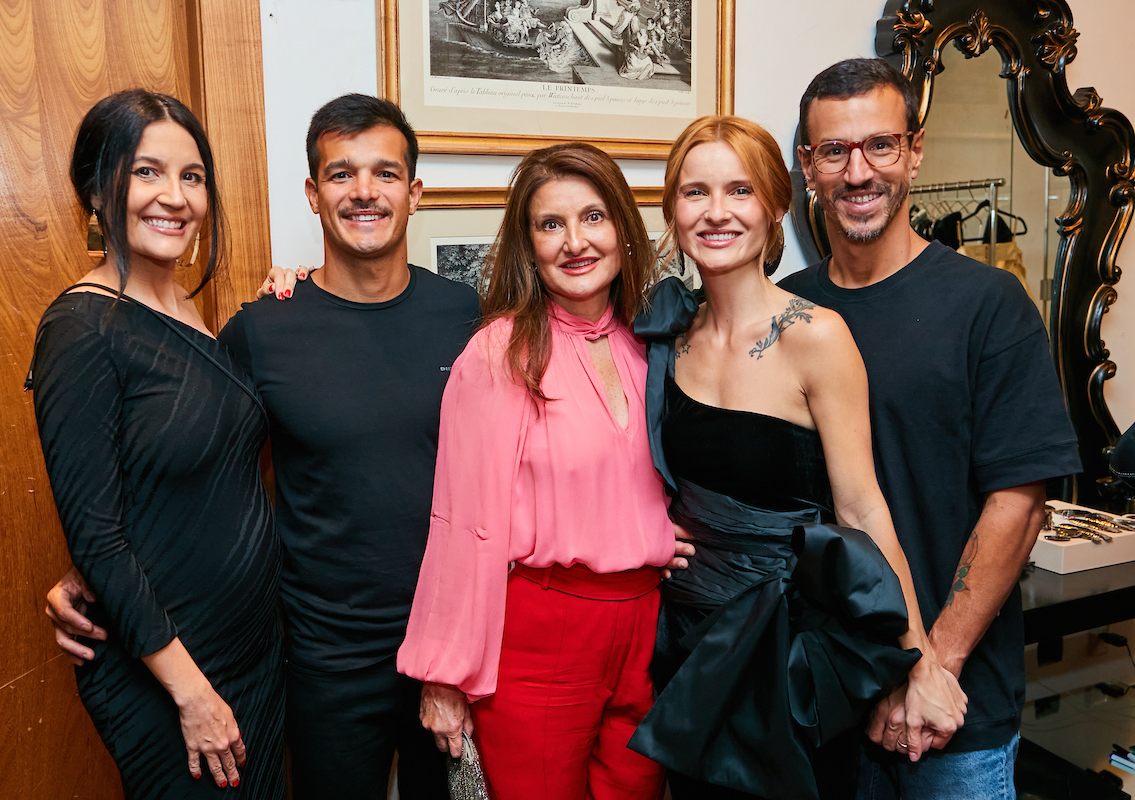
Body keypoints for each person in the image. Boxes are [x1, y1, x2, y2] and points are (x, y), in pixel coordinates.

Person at [44, 94, 480, 799]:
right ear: (312, 195)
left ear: (416, 191)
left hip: (448, 645)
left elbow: (517, 462)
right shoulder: (260, 329)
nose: (364, 192)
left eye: (385, 174)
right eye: (340, 174)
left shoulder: (465, 314)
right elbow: (198, 453)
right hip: (319, 656)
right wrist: (93, 562)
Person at [627, 115, 966, 800]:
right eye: (695, 193)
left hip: (787, 652)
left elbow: (862, 507)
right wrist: (648, 532)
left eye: (740, 191)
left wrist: (923, 660)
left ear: (777, 205)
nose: (716, 212)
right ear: (671, 209)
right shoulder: (667, 334)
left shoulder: (816, 336)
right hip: (689, 639)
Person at [779, 58, 1081, 798]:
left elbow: (1019, 504)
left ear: (915, 151)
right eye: (834, 151)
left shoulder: (989, 306)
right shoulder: (783, 311)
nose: (859, 172)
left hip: (952, 716)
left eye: (880, 145)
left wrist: (927, 670)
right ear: (807, 167)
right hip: (823, 706)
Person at [395, 142, 677, 800]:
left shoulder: (656, 339)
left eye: (593, 217)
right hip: (543, 633)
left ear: (623, 231)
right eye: (551, 224)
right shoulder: (501, 351)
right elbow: (463, 524)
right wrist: (444, 674)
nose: (575, 241)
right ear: (528, 243)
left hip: (649, 628)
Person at [27, 90, 284, 797]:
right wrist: (191, 695)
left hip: (251, 652)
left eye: (192, 176)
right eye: (146, 172)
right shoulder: (82, 331)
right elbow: (99, 540)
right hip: (171, 674)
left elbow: (199, 470)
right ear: (96, 189)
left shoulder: (188, 308)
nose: (174, 196)